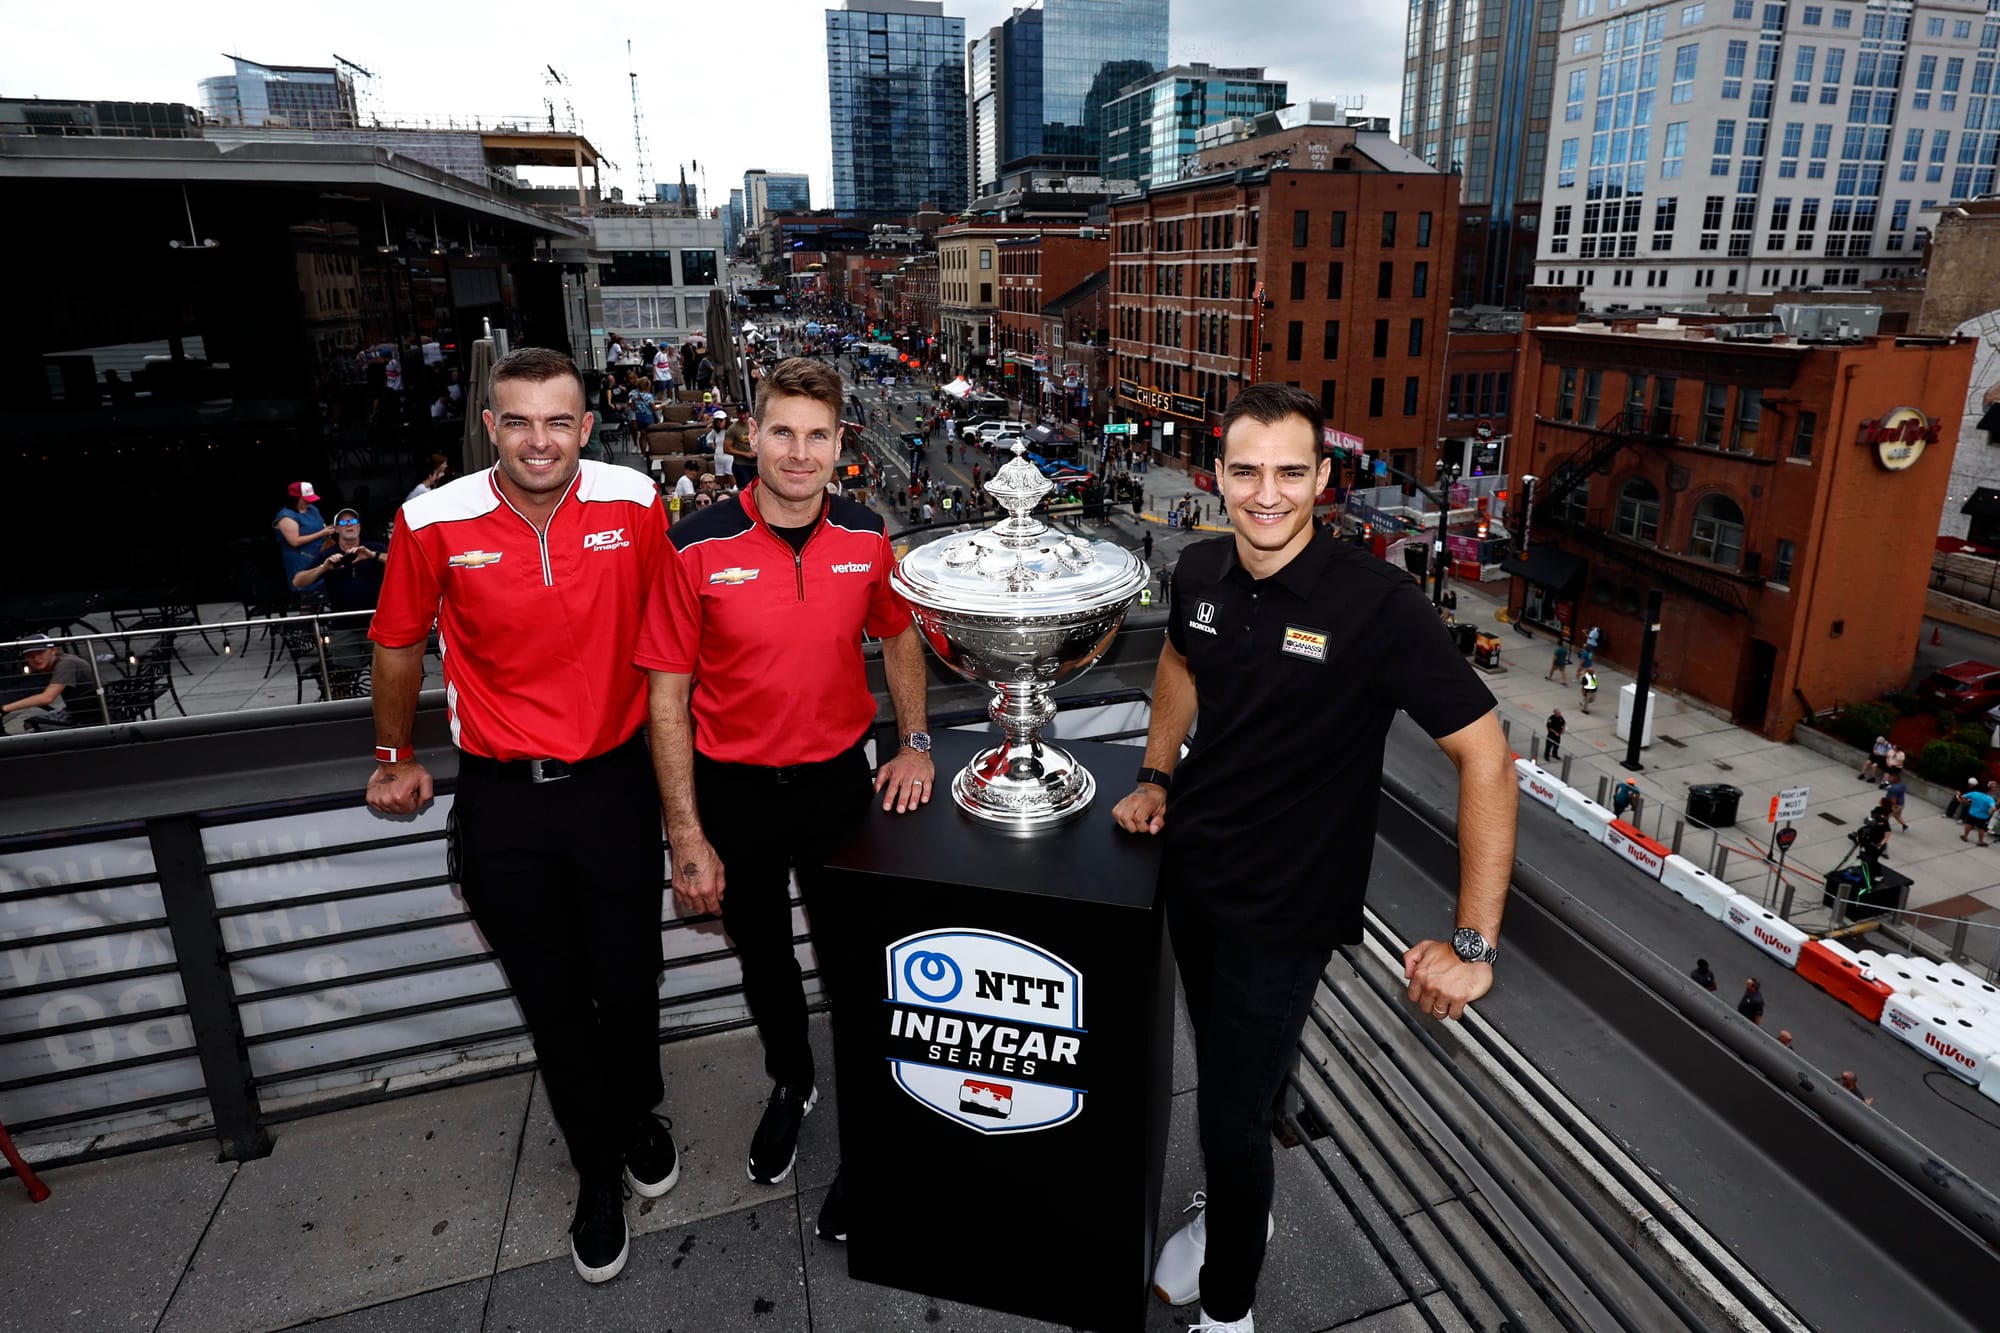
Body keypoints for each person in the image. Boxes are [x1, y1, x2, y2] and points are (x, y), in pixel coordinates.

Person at [1112, 383, 1516, 1333]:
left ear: (1323, 479)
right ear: (1216, 475)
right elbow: (1178, 662)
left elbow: (1486, 754)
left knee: (1233, 1115)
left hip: (1288, 913)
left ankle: (1228, 1312)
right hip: (1196, 880)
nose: (1266, 492)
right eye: (1246, 469)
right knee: (1224, 1077)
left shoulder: (1378, 605)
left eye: (1290, 471)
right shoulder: (1201, 570)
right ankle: (1226, 1209)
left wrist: (1477, 942)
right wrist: (1157, 773)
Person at [366, 347, 679, 1286]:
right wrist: (393, 755)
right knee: (553, 1004)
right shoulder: (431, 518)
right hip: (503, 796)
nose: (539, 440)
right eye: (518, 421)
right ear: (491, 429)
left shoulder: (635, 499)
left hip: (617, 786)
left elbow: (673, 633)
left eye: (558, 421)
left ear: (585, 427)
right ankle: (595, 1174)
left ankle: (637, 1113)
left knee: (628, 982)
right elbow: (395, 647)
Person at [639, 355, 933, 1246]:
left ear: (841, 444)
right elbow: (665, 697)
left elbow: (900, 635)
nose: (799, 453)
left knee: (857, 973)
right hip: (734, 793)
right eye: (782, 432)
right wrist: (684, 831)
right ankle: (792, 1078)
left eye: (817, 436)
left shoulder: (868, 537)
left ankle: (872, 1144)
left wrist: (914, 742)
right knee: (764, 960)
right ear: (751, 435)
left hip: (840, 784)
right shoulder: (694, 543)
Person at [294, 508, 388, 674]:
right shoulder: (328, 554)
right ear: (336, 529)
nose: (349, 526)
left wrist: (373, 555)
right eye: (343, 523)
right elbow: (298, 581)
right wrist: (323, 568)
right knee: (342, 677)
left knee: (385, 674)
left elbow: (402, 561)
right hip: (343, 626)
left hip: (377, 623)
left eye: (352, 522)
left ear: (359, 526)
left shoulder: (374, 547)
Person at [2, 635, 106, 732]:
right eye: (30, 656)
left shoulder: (66, 663)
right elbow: (25, 689)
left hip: (95, 714)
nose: (37, 659)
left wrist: (4, 708)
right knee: (31, 722)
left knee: (35, 726)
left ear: (53, 650)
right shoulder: (49, 665)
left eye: (40, 653)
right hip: (79, 711)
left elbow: (47, 698)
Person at [274, 481, 336, 601]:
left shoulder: (312, 509)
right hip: (301, 559)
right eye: (305, 499)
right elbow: (294, 541)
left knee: (324, 593)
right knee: (309, 595)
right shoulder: (286, 517)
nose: (309, 502)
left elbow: (320, 526)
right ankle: (305, 619)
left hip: (318, 554)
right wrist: (321, 533)